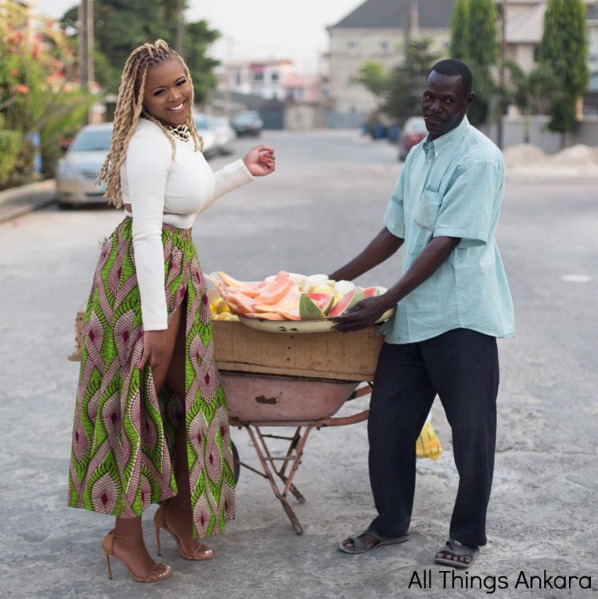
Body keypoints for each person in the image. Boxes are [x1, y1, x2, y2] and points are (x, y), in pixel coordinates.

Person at [67, 39, 275, 582]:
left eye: (179, 82)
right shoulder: (147, 143)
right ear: (140, 97)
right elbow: (144, 232)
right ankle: (126, 536)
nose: (174, 95)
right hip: (144, 279)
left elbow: (189, 201)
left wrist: (243, 170)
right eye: (158, 90)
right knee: (140, 403)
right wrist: (156, 324)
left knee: (185, 395)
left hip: (174, 266)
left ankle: (177, 511)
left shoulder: (175, 136)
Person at [330, 59, 514, 569]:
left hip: (462, 319)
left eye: (447, 100)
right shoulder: (419, 156)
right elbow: (396, 231)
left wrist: (383, 302)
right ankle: (390, 523)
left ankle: (467, 537)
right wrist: (335, 278)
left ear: (468, 103)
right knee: (388, 425)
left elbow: (444, 243)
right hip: (410, 319)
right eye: (429, 97)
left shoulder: (479, 159)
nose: (435, 107)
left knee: (472, 434)